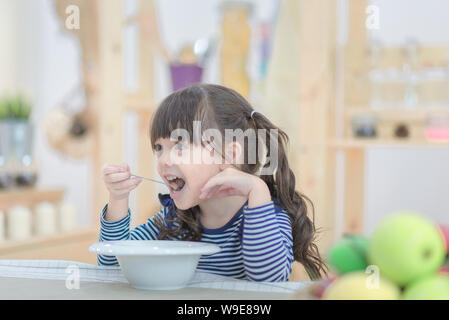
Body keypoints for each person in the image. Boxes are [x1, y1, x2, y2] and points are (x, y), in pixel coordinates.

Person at [98, 84, 327, 281]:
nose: (164, 160)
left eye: (179, 146)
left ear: (228, 156)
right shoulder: (173, 220)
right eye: (159, 148)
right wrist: (118, 199)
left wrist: (257, 190)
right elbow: (112, 267)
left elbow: (268, 278)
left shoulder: (266, 214)